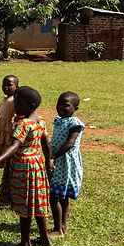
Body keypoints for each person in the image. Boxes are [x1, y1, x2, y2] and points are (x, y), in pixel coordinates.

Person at [0, 87, 53, 246]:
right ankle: (44, 238)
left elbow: (14, 146)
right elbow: (46, 144)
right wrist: (48, 161)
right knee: (37, 202)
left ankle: (25, 245)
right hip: (37, 165)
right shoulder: (40, 122)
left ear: (30, 105)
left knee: (25, 205)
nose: (15, 106)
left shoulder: (22, 124)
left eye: (18, 103)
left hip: (23, 167)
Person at [49, 91, 85, 237]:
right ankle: (62, 226)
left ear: (75, 108)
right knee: (62, 196)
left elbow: (70, 144)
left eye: (66, 105)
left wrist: (53, 157)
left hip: (65, 163)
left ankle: (58, 229)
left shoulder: (75, 123)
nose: (61, 108)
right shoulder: (59, 120)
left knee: (54, 196)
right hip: (58, 161)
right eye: (59, 104)